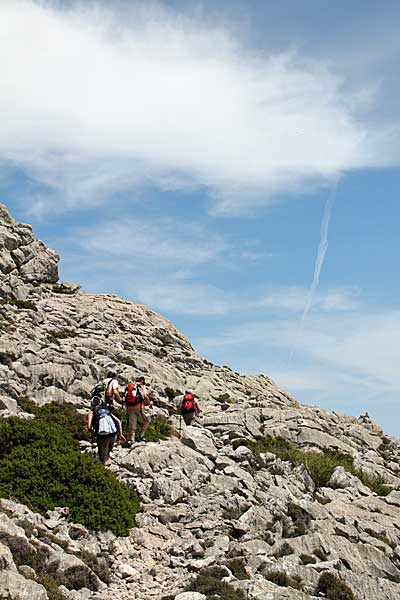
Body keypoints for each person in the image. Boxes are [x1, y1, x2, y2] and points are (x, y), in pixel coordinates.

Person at [88, 398, 126, 466]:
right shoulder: (106, 410)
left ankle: (105, 472)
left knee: (103, 457)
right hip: (113, 435)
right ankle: (109, 468)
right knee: (108, 452)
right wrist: (121, 435)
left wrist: (94, 434)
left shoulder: (92, 412)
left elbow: (89, 427)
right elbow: (118, 422)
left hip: (102, 436)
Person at [124, 376, 152, 445]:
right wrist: (149, 403)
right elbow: (145, 396)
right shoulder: (141, 386)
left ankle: (132, 439)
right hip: (139, 407)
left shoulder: (130, 386)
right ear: (142, 381)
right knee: (147, 419)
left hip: (130, 407)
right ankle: (141, 436)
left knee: (132, 423)